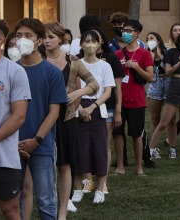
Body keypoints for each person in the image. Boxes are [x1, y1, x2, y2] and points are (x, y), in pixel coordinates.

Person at [44, 21, 99, 220]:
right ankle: (46, 206)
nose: (46, 40)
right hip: (42, 119)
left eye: (51, 37)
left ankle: (63, 211)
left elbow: (94, 84)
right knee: (42, 166)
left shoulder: (73, 60)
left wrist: (77, 92)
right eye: (44, 37)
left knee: (64, 165)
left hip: (66, 119)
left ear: (61, 39)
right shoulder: (38, 59)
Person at [15, 17, 67, 220]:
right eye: (18, 36)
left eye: (28, 36)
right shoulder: (11, 70)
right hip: (13, 145)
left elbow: (54, 112)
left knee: (46, 201)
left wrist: (36, 141)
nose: (22, 40)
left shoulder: (52, 73)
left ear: (39, 40)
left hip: (42, 146)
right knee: (14, 200)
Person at [0, 15, 31, 219]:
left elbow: (19, 116)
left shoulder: (15, 71)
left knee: (10, 211)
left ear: (0, 39)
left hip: (4, 157)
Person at [72, 30, 115, 204]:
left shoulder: (105, 66)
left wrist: (91, 108)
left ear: (99, 44)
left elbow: (108, 91)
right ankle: (79, 188)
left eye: (93, 41)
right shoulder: (75, 64)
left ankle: (99, 190)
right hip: (77, 108)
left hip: (97, 109)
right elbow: (71, 89)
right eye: (86, 41)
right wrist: (81, 108)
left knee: (99, 149)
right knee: (79, 150)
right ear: (81, 44)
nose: (90, 44)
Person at [149, 28, 180, 164]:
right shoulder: (172, 52)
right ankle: (150, 149)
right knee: (164, 122)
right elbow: (168, 72)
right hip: (175, 84)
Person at [113, 19, 154, 176]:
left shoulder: (144, 54)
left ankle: (139, 167)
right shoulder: (117, 54)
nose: (125, 33)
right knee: (117, 133)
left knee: (137, 134)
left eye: (129, 31)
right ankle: (120, 166)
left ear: (137, 33)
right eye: (124, 30)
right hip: (119, 100)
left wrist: (136, 67)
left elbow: (150, 77)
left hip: (137, 100)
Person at [146, 32, 176, 158]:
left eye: (152, 38)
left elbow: (169, 69)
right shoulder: (146, 54)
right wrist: (151, 57)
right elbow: (149, 72)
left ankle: (172, 148)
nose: (149, 41)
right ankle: (154, 148)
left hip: (169, 84)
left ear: (158, 40)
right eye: (147, 39)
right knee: (155, 118)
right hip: (155, 85)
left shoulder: (168, 51)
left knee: (171, 119)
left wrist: (159, 54)